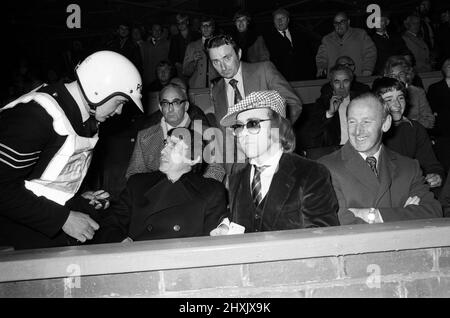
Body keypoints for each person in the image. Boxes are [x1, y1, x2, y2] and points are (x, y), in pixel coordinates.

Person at [0, 50, 143, 249]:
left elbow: (43, 178)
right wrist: (63, 219)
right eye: (119, 102)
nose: (119, 112)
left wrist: (77, 197)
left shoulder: (86, 120)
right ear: (98, 89)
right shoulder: (35, 116)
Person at [212, 90, 339, 234]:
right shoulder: (237, 178)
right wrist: (226, 225)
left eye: (253, 124)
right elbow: (239, 219)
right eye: (239, 126)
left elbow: (324, 236)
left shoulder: (311, 173)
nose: (243, 133)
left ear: (278, 127)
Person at [319, 93, 442, 225]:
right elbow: (339, 222)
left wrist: (374, 215)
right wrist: (402, 212)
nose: (358, 131)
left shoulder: (408, 167)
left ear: (386, 124)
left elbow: (433, 212)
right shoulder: (325, 168)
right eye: (352, 122)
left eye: (366, 122)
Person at [108, 128, 228, 242]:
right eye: (166, 144)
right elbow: (111, 223)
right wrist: (121, 241)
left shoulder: (211, 192)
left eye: (173, 145)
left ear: (193, 159)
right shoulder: (137, 184)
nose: (162, 151)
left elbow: (209, 242)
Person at [125, 83, 224, 182]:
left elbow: (217, 170)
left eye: (176, 102)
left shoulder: (207, 134)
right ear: (160, 107)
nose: (170, 109)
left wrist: (195, 192)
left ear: (186, 106)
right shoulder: (145, 137)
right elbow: (133, 175)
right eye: (165, 103)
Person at [206, 34, 302, 125]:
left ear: (239, 54)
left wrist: (276, 133)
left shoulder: (264, 70)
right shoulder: (216, 91)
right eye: (216, 62)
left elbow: (293, 103)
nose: (223, 67)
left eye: (227, 58)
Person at [372, 77, 444, 191]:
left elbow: (430, 163)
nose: (397, 104)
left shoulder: (415, 128)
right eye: (389, 100)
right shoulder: (370, 130)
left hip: (410, 188)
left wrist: (435, 175)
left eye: (400, 98)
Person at [306, 64, 361, 159]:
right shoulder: (322, 103)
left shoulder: (361, 100)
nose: (341, 86)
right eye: (337, 82)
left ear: (351, 82)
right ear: (331, 84)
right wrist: (330, 113)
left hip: (360, 148)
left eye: (345, 81)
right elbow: (312, 133)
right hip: (334, 152)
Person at [316, 12, 377, 77]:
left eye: (342, 22)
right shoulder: (327, 39)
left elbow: (370, 52)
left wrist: (367, 70)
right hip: (335, 81)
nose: (339, 25)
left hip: (357, 79)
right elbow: (321, 57)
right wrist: (321, 68)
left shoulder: (361, 34)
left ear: (348, 22)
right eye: (336, 23)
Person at [263, 8, 316, 80]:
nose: (280, 21)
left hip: (303, 78)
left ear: (288, 20)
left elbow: (309, 57)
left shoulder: (301, 35)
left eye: (282, 18)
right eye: (276, 19)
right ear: (273, 21)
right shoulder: (266, 39)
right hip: (280, 80)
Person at [384, 55, 435, 129]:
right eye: (393, 75)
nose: (397, 78)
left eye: (401, 74)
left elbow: (430, 121)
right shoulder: (383, 94)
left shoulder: (418, 92)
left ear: (407, 75)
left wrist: (408, 124)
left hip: (415, 134)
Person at [369, 10, 411, 75]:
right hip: (382, 73)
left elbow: (404, 50)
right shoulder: (370, 40)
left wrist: (407, 64)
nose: (378, 24)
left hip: (399, 71)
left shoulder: (396, 36)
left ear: (387, 22)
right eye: (376, 21)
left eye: (381, 21)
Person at [182, 16, 219, 89]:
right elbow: (185, 72)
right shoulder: (192, 46)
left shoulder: (219, 45)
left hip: (216, 88)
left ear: (213, 28)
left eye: (208, 25)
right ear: (200, 28)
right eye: (203, 26)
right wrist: (194, 61)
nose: (206, 28)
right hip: (197, 88)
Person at [427, 58, 450, 171]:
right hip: (443, 131)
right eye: (447, 64)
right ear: (442, 69)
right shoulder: (434, 88)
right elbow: (432, 110)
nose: (449, 66)